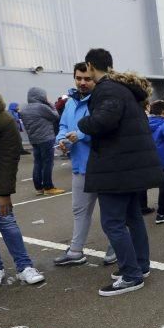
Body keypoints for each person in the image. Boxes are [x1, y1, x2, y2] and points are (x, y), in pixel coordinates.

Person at [78, 48, 164, 296]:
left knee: (112, 222)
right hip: (130, 166)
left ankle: (131, 275)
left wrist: (83, 123)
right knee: (132, 218)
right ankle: (140, 266)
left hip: (116, 167)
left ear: (90, 65)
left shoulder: (106, 90)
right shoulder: (122, 89)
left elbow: (103, 121)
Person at [54, 62, 117, 267]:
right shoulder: (71, 102)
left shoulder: (102, 100)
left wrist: (80, 135)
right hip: (79, 166)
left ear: (95, 78)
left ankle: (115, 246)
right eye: (78, 78)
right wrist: (62, 140)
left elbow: (106, 129)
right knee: (79, 211)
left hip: (102, 165)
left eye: (87, 78)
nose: (82, 82)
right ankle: (75, 251)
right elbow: (63, 125)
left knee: (111, 212)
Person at [0, 90, 45, 288]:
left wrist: (4, 193)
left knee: (7, 224)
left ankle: (24, 267)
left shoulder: (3, 120)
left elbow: (9, 159)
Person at [20, 87, 64, 195]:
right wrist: (50, 104)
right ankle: (48, 187)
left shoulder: (24, 108)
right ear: (40, 96)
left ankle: (39, 188)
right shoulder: (41, 107)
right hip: (46, 138)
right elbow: (55, 116)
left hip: (34, 139)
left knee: (38, 162)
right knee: (48, 163)